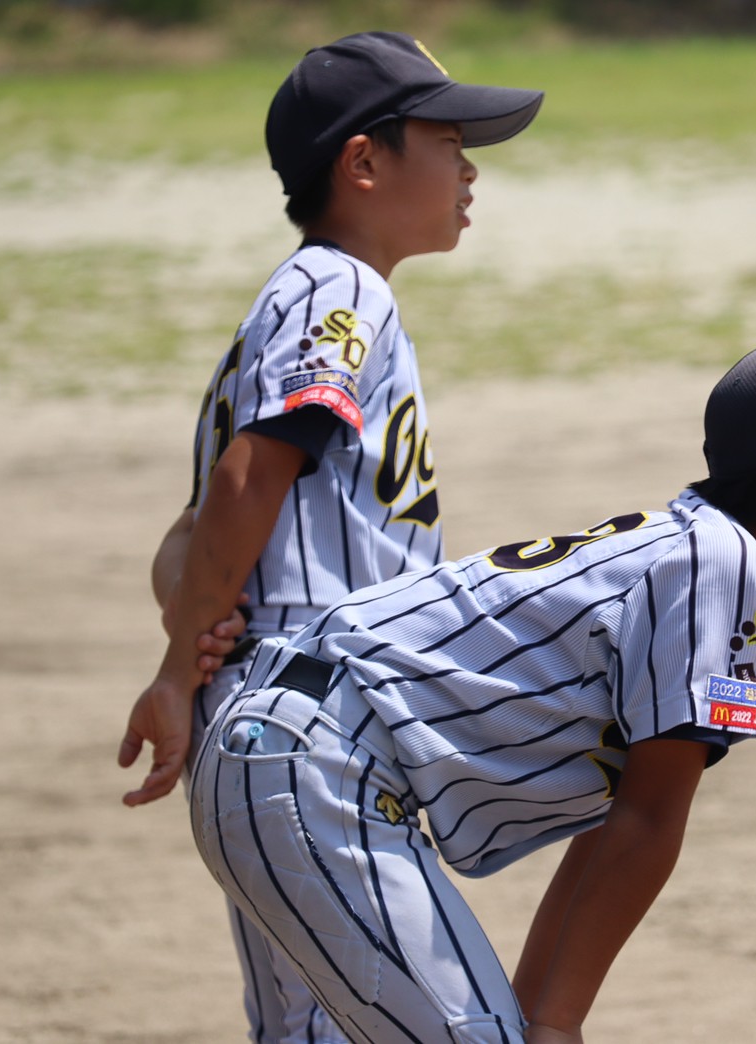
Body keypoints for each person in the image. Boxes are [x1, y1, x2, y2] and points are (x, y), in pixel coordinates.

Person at [184, 331, 756, 1043]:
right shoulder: (728, 568)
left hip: (287, 753)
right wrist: (556, 1021)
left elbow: (614, 819)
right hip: (314, 769)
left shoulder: (693, 553)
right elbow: (649, 820)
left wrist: (541, 1007)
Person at [117, 31, 544, 1044]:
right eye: (446, 140)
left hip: (275, 734)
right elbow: (244, 480)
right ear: (363, 162)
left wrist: (193, 643)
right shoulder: (336, 290)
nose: (469, 167)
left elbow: (185, 541)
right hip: (313, 738)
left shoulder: (288, 303)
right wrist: (180, 667)